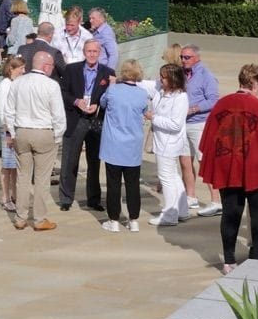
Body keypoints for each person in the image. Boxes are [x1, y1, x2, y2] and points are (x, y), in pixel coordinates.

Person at [198, 64, 258, 274]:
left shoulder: (220, 105)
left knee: (230, 214)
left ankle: (228, 261)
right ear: (255, 84)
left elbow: (207, 139)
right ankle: (257, 257)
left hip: (228, 169)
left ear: (240, 81)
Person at [1, 50, 66, 231]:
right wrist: (58, 137)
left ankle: (21, 217)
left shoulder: (18, 82)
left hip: (22, 132)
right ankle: (39, 219)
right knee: (41, 179)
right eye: (51, 66)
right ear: (46, 66)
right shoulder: (51, 85)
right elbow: (58, 115)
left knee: (23, 177)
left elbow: (9, 111)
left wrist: (13, 134)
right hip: (44, 132)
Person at [58, 40, 114, 212]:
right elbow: (62, 91)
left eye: (95, 51)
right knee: (69, 160)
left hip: (95, 120)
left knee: (94, 161)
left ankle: (94, 199)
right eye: (89, 51)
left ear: (100, 53)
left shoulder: (108, 73)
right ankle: (66, 198)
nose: (92, 54)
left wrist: (98, 105)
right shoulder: (71, 69)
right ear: (84, 52)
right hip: (76, 119)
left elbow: (111, 96)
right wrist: (76, 101)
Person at [97, 59, 150, 232]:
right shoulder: (142, 94)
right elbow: (144, 110)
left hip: (113, 144)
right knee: (132, 184)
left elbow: (103, 103)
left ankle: (113, 220)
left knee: (113, 184)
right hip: (132, 145)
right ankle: (133, 219)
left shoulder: (112, 90)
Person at [147, 63, 192, 227]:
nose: (161, 79)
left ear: (173, 79)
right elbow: (144, 84)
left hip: (169, 144)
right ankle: (182, 210)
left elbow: (175, 124)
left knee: (166, 178)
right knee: (173, 176)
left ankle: (169, 215)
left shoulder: (180, 98)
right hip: (163, 142)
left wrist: (153, 118)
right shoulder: (161, 92)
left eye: (164, 77)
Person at [182, 44, 223, 216]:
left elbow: (214, 100)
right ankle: (191, 196)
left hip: (199, 124)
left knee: (205, 162)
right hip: (182, 125)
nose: (183, 60)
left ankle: (216, 201)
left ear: (197, 58)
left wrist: (194, 109)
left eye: (187, 57)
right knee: (184, 162)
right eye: (182, 57)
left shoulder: (206, 75)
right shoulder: (180, 73)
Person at [0, 56, 27, 212]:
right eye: (21, 68)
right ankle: (5, 197)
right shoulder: (5, 86)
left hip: (15, 129)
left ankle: (13, 194)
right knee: (7, 166)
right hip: (8, 130)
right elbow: (3, 113)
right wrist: (8, 133)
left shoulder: (14, 84)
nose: (24, 71)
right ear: (12, 69)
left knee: (14, 165)